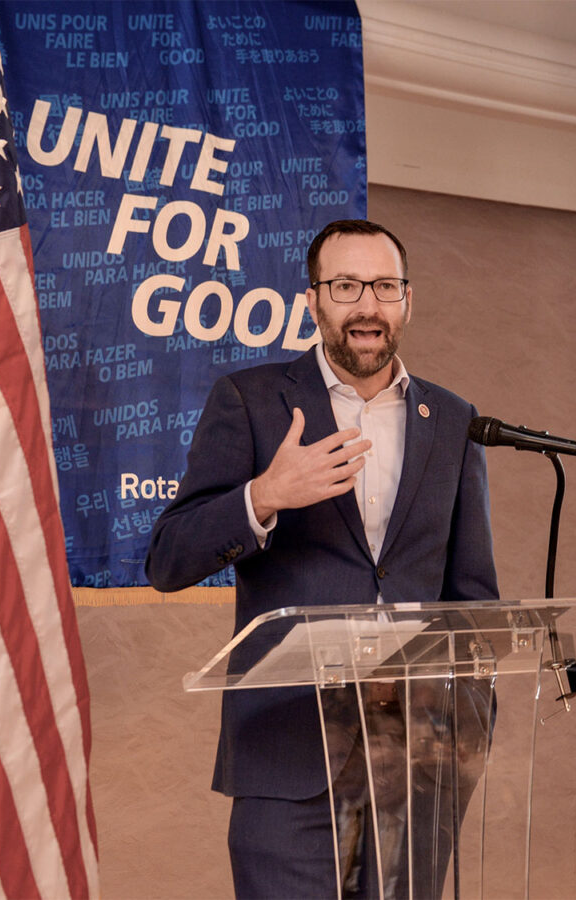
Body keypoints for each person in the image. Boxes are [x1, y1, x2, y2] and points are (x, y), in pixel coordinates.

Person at [146, 219, 500, 898]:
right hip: (288, 759)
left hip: (416, 766)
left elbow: (472, 597)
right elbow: (168, 558)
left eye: (385, 286)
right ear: (313, 301)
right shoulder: (250, 402)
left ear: (407, 300)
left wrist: (468, 724)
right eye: (346, 286)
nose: (367, 305)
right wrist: (264, 496)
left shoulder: (453, 421)